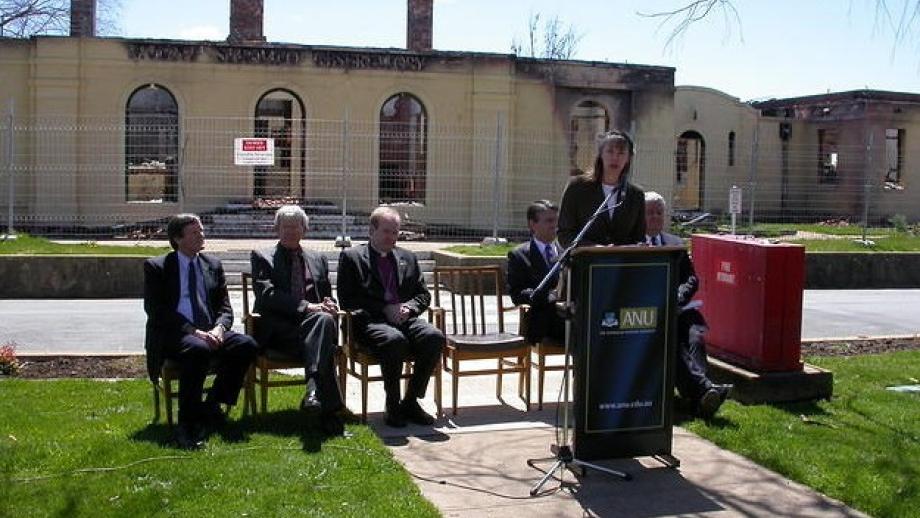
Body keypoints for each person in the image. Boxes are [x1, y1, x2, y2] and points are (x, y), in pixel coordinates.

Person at [144, 214, 258, 449]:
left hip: (210, 330)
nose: (202, 236)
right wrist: (194, 331)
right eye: (195, 233)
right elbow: (157, 311)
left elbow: (225, 307)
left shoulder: (212, 265)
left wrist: (219, 328)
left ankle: (213, 405)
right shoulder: (158, 267)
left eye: (202, 231)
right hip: (175, 333)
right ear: (178, 238)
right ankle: (187, 424)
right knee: (197, 349)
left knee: (246, 344)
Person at [336, 206, 444, 428]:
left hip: (405, 318)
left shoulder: (408, 257)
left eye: (395, 232)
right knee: (394, 340)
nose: (391, 237)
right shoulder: (352, 257)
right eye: (386, 231)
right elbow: (347, 299)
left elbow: (423, 295)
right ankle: (392, 403)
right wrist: (384, 308)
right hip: (369, 322)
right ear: (371, 231)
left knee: (434, 337)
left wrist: (409, 308)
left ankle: (411, 400)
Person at [250, 206, 345, 437]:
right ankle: (329, 414)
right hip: (281, 333)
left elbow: (326, 295)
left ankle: (314, 396)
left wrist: (330, 305)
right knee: (322, 332)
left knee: (322, 322)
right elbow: (267, 296)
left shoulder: (318, 258)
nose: (291, 232)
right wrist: (308, 307)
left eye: (296, 227)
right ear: (277, 229)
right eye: (286, 227)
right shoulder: (263, 257)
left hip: (313, 331)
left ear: (304, 229)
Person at [644, 191, 730, 417]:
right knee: (672, 339)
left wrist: (679, 297)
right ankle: (703, 391)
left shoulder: (675, 244)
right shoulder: (633, 246)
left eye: (659, 212)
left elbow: (691, 279)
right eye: (650, 213)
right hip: (652, 314)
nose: (654, 217)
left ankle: (699, 394)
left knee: (695, 336)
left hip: (681, 309)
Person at [557, 130, 646, 248]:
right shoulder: (577, 188)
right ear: (600, 155)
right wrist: (595, 248)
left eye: (621, 153)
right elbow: (565, 234)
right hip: (585, 262)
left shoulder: (636, 194)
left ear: (628, 158)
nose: (615, 157)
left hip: (623, 264)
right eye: (610, 151)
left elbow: (639, 238)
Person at [506, 200, 565, 344]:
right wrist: (549, 296)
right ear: (533, 224)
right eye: (549, 221)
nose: (555, 225)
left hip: (570, 316)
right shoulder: (519, 255)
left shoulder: (567, 251)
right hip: (544, 321)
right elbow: (518, 294)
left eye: (556, 220)